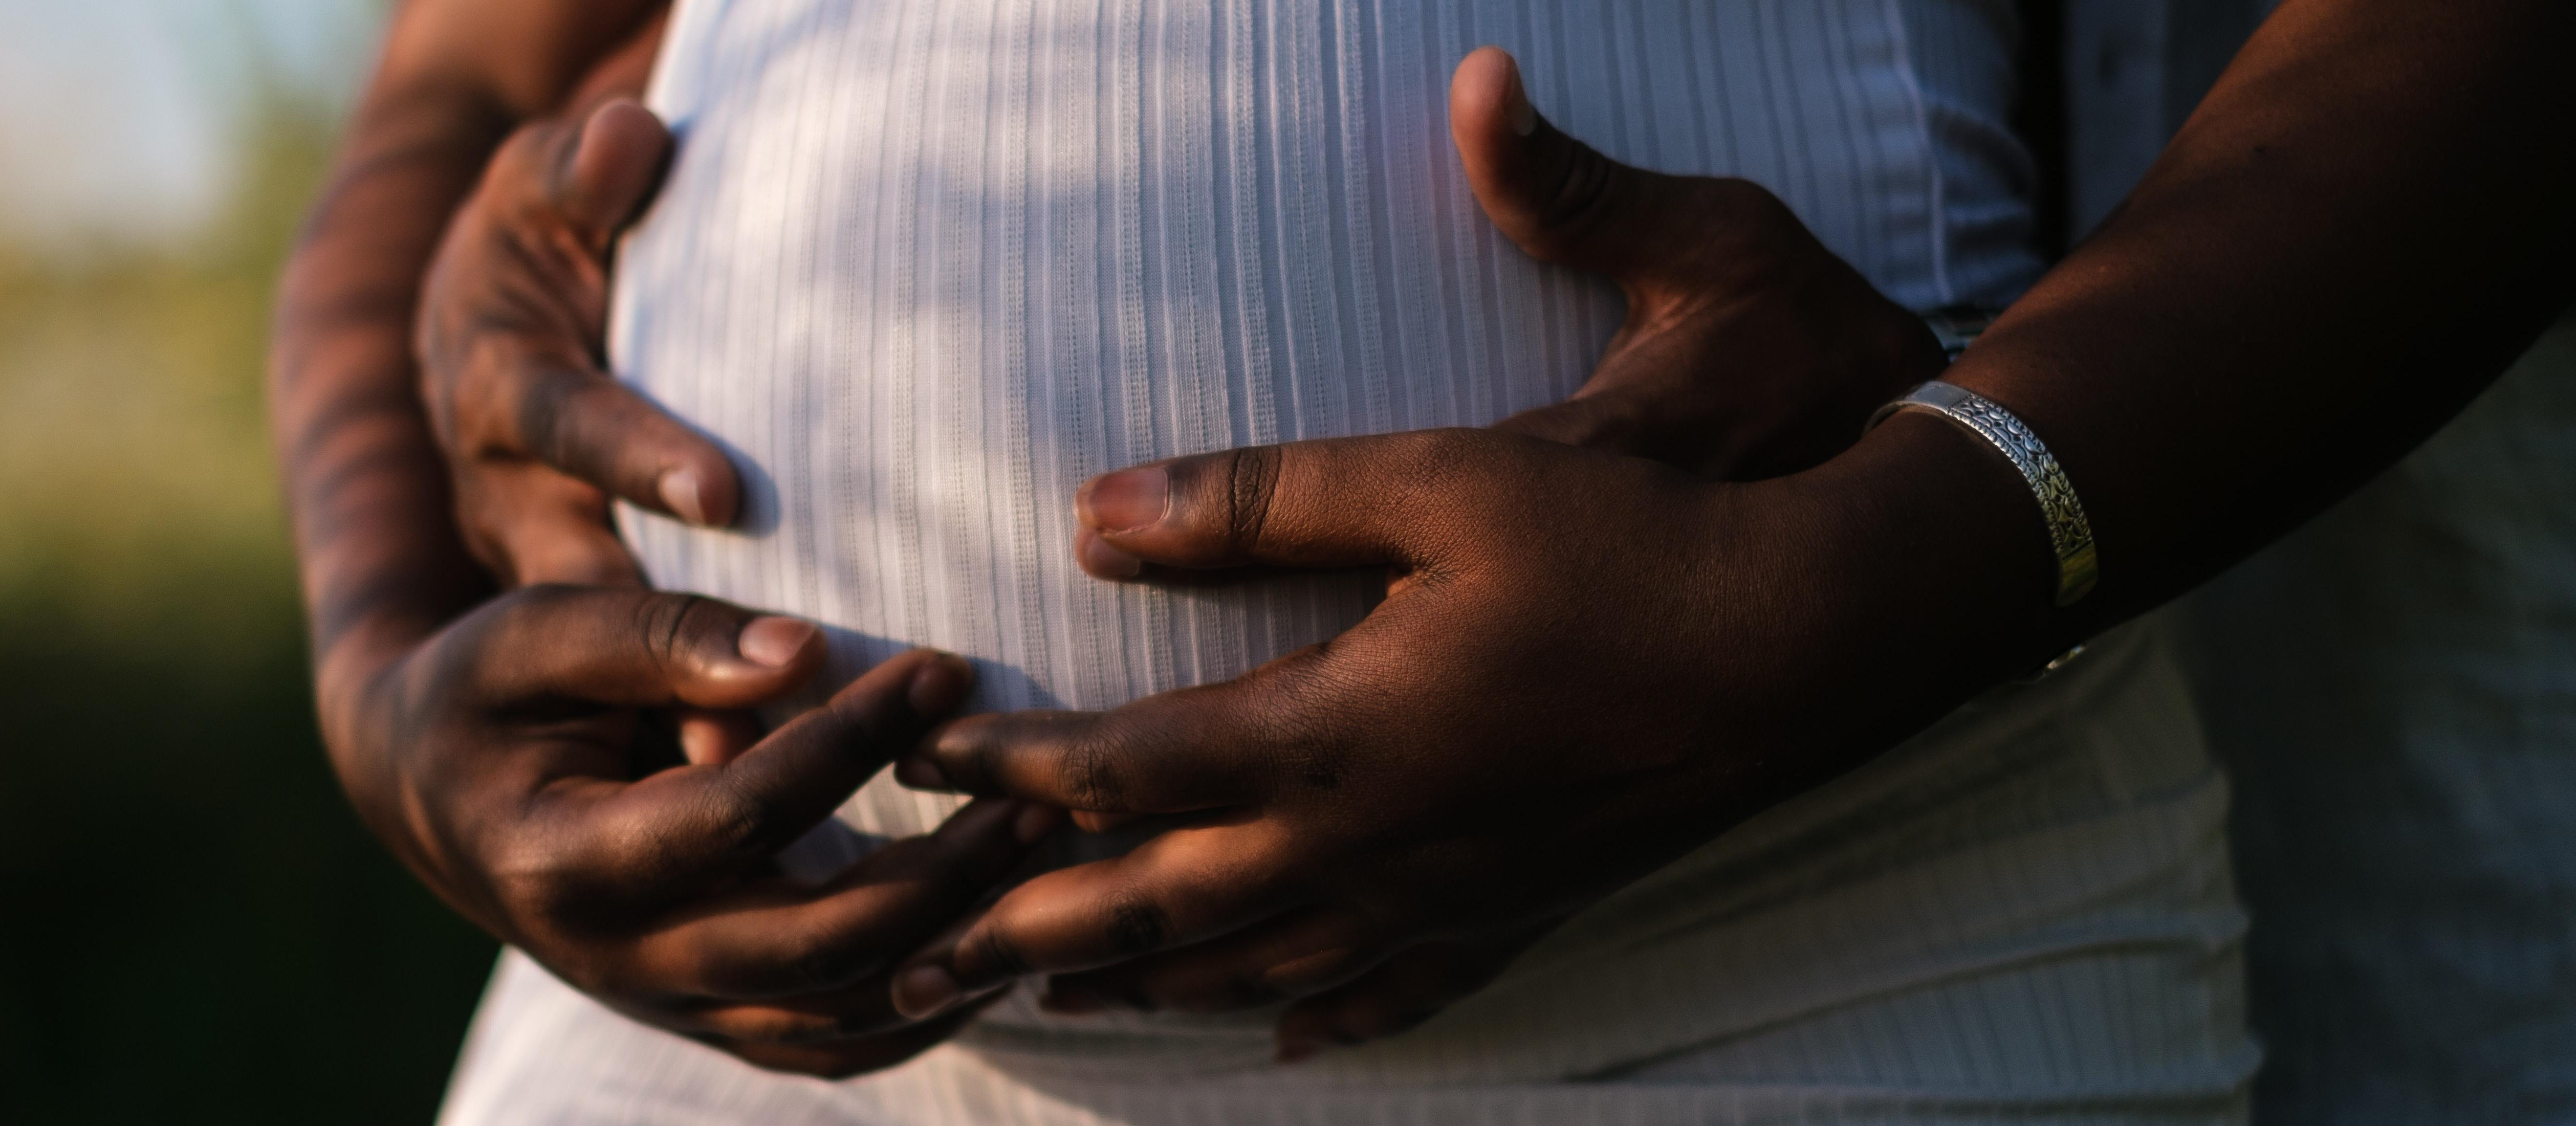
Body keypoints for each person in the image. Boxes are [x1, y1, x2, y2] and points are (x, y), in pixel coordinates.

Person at [265, 0, 2575, 1121]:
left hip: (1824, 939)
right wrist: (383, 659)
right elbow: (467, 85)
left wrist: (1915, 557)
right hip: (720, 1039)